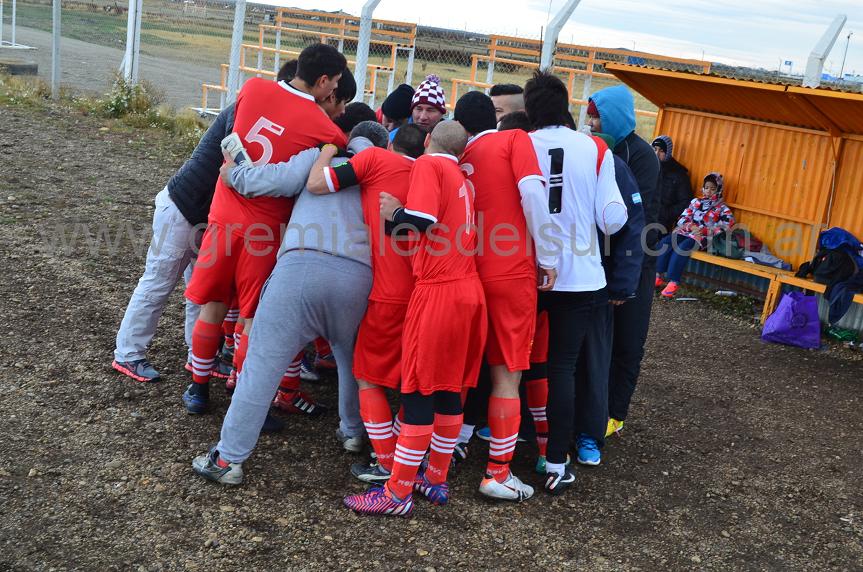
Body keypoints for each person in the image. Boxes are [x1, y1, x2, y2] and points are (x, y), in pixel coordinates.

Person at [191, 119, 391, 485]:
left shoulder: (320, 156)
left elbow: (269, 181)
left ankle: (228, 459)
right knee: (356, 365)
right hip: (358, 276)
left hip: (300, 264)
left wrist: (232, 173)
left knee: (262, 366)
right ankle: (353, 432)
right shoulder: (384, 166)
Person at [182, 43, 348, 414]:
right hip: (264, 226)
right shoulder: (323, 125)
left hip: (223, 214)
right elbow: (333, 145)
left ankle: (197, 387)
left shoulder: (254, 87)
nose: (333, 92)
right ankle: (240, 391)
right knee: (251, 315)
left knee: (214, 302)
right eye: (333, 84)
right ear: (322, 81)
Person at [110, 60, 299, 383]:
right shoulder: (248, 109)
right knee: (159, 281)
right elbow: (238, 167)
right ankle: (128, 354)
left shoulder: (261, 112)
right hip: (184, 206)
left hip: (206, 216)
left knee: (205, 290)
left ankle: (199, 356)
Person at [344, 121, 486, 516]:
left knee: (418, 389)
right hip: (468, 291)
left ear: (428, 141)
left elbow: (419, 220)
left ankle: (397, 493)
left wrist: (392, 211)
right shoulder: (462, 177)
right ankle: (435, 479)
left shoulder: (429, 166)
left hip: (438, 290)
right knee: (447, 389)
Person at [452, 91, 559, 502]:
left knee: (460, 371)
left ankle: (434, 464)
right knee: (506, 375)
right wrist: (546, 256)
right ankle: (496, 471)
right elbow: (533, 194)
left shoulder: (456, 154)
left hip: (462, 272)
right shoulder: (515, 140)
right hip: (510, 269)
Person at [305, 124, 427, 483]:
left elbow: (316, 183)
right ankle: (414, 454)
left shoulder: (374, 158)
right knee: (413, 380)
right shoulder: (431, 173)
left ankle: (387, 459)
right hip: (426, 293)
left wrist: (328, 148)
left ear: (390, 142)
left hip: (387, 292)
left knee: (367, 376)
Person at [525, 71, 628, 495]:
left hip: (528, 272)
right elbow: (612, 217)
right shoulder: (596, 148)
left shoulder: (520, 143)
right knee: (562, 368)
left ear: (530, 110)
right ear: (566, 105)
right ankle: (555, 461)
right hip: (582, 276)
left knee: (514, 363)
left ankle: (495, 447)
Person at [587, 85, 660, 437]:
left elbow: (636, 217)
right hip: (600, 260)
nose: (590, 123)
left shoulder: (640, 156)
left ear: (613, 117)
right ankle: (592, 409)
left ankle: (615, 412)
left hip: (637, 261)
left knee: (628, 341)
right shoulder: (596, 149)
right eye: (588, 117)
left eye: (596, 117)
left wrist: (627, 272)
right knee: (597, 341)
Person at [656, 172, 735, 298]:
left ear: (719, 190)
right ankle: (657, 275)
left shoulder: (722, 208)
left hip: (703, 238)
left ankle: (673, 282)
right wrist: (690, 226)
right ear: (703, 188)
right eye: (706, 187)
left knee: (682, 248)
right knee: (666, 242)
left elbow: (727, 225)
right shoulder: (695, 202)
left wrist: (705, 230)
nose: (709, 191)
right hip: (686, 231)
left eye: (713, 189)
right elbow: (683, 217)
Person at [653, 135, 693, 235]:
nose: (657, 153)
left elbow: (685, 202)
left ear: (668, 153)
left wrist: (666, 213)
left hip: (661, 222)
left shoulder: (679, 174)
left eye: (661, 151)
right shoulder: (647, 167)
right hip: (642, 215)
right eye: (654, 149)